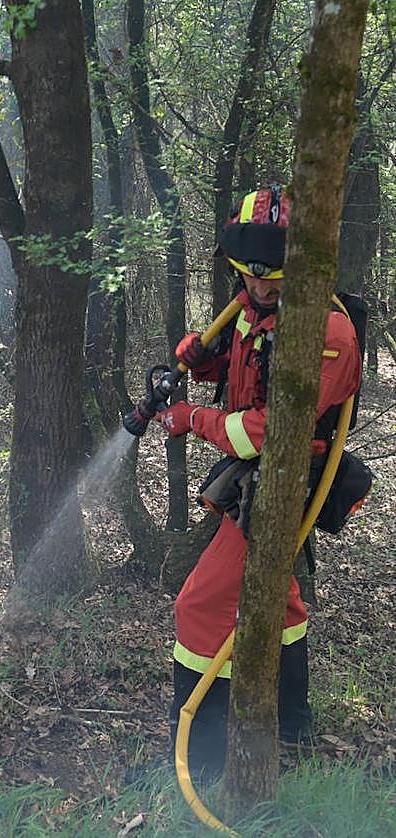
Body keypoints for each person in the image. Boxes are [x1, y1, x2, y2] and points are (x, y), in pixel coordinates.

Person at [153, 184, 361, 776]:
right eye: (250, 276)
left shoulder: (328, 334)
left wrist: (192, 418)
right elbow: (248, 372)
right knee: (285, 602)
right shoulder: (254, 308)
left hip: (287, 481)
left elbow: (268, 429)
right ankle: (292, 730)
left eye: (274, 278)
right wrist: (206, 359)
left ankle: (199, 753)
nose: (262, 288)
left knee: (198, 606)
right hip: (258, 478)